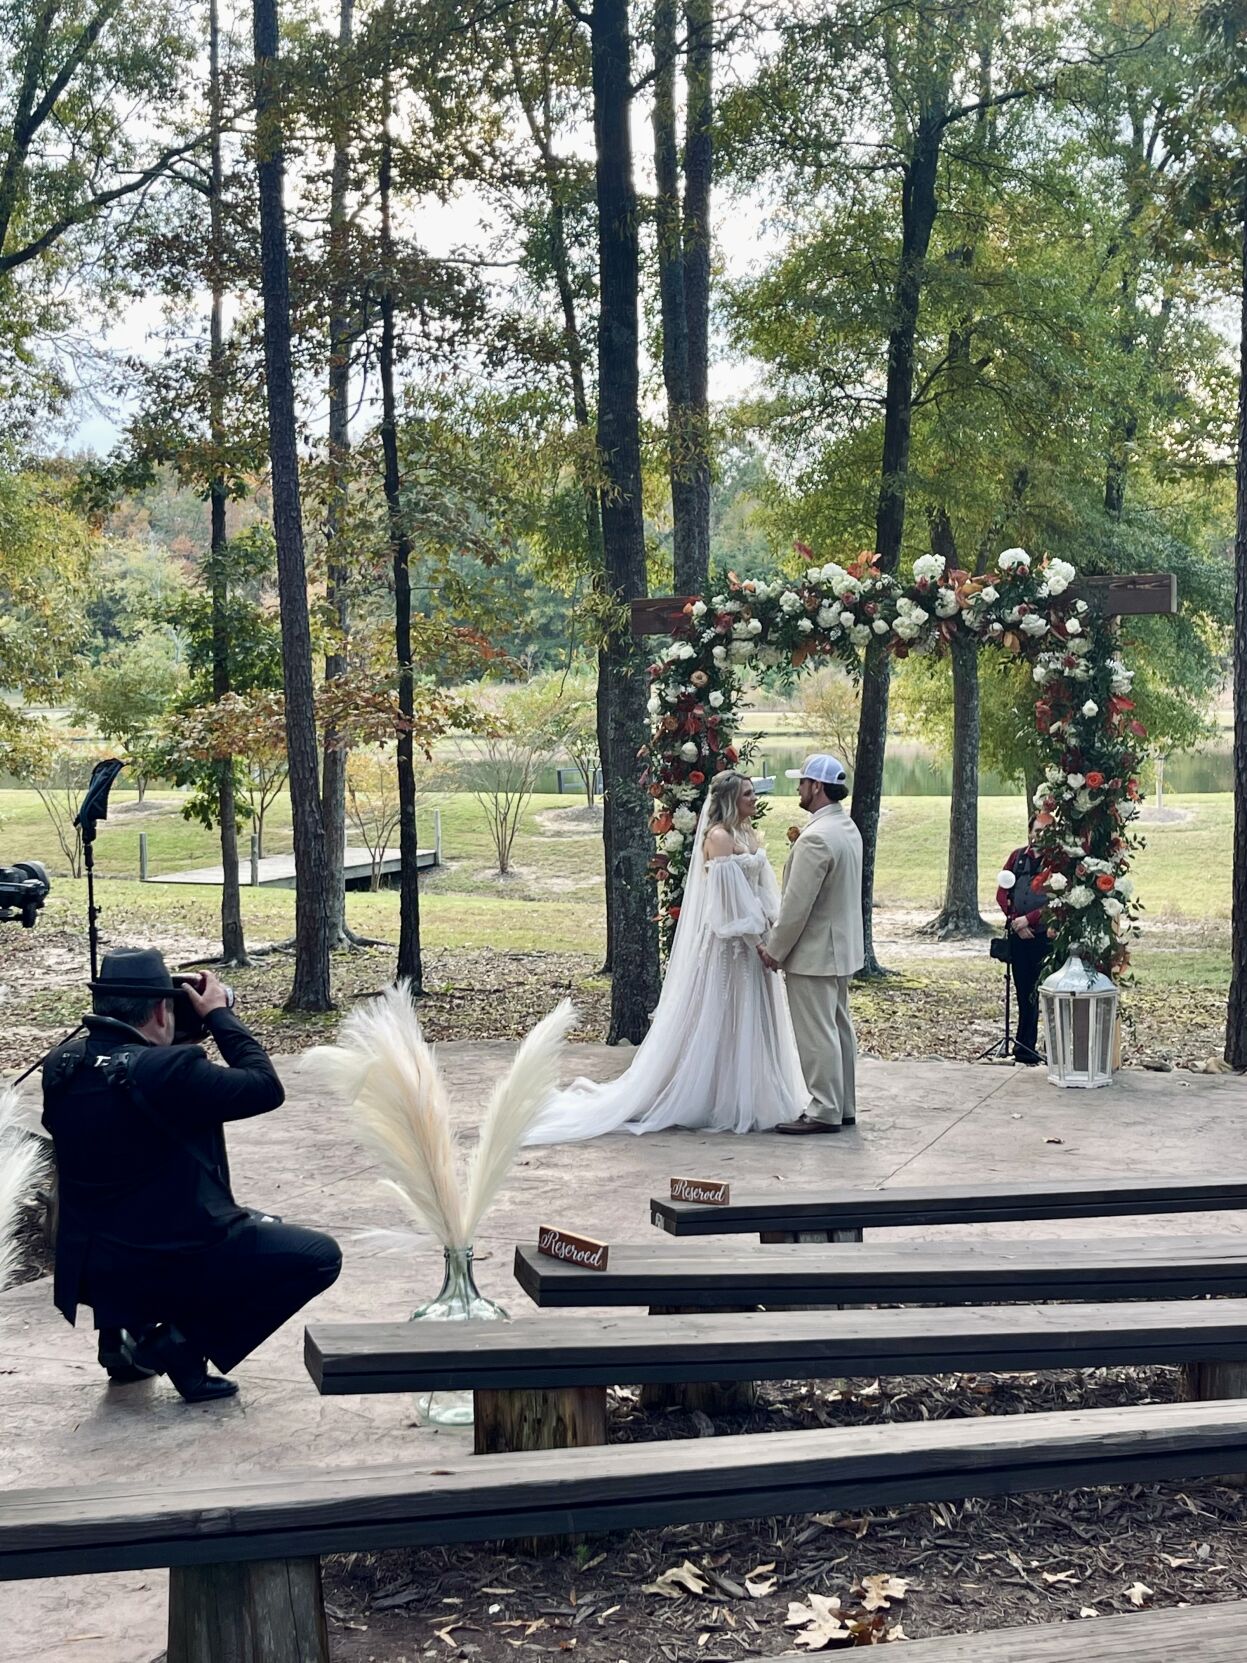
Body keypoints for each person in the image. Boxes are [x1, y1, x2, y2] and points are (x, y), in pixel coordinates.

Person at [41, 947, 341, 1403]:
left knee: (129, 1207)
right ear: (163, 1009)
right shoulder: (172, 1072)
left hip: (92, 1268)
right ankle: (180, 1347)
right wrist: (219, 1015)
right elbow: (264, 1086)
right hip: (166, 1260)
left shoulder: (62, 1064)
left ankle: (120, 1347)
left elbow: (127, 1112)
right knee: (317, 1255)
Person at [524, 770, 807, 1142]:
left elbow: (761, 888)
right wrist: (758, 941)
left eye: (753, 794)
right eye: (748, 795)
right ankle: (716, 1096)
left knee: (751, 1016)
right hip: (730, 945)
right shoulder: (719, 838)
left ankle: (754, 1090)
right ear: (728, 800)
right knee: (722, 1015)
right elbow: (728, 903)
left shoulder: (748, 833)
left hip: (756, 940)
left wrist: (773, 928)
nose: (754, 800)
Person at [760, 754, 864, 1135]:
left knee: (817, 1032)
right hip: (841, 948)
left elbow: (796, 906)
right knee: (837, 1027)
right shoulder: (846, 827)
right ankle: (843, 1104)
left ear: (817, 787)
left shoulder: (816, 838)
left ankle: (823, 1108)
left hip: (816, 951)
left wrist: (774, 949)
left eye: (802, 782)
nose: (798, 788)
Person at [996, 822, 1051, 1065]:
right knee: (1023, 991)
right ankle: (1023, 1046)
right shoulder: (1017, 858)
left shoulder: (1055, 863)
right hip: (1019, 936)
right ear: (1030, 831)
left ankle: (1048, 1046)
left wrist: (1030, 920)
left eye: (1046, 831)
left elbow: (1057, 901)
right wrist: (1015, 921)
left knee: (1043, 993)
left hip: (1043, 936)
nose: (1040, 835)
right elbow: (1002, 893)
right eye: (1037, 830)